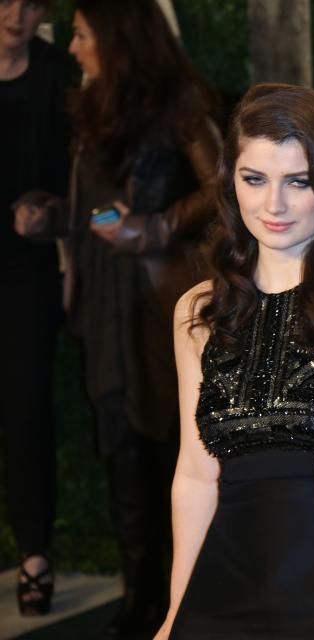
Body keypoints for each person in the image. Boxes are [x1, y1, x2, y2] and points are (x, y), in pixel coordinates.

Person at [157, 83, 314, 639]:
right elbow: (196, 475)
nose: (274, 205)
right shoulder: (198, 312)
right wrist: (176, 611)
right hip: (228, 580)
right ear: (230, 182)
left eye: (299, 181)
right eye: (255, 180)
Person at [14, 0, 220, 634]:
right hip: (103, 300)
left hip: (161, 303)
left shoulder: (178, 96)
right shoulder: (89, 103)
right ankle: (141, 602)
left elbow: (225, 185)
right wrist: (51, 214)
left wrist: (152, 229)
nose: (71, 47)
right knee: (123, 449)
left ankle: (182, 605)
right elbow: (98, 209)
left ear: (114, 35)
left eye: (79, 34)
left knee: (173, 448)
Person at [1, 0, 73, 617]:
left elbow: (84, 178)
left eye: (27, 4)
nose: (14, 16)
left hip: (29, 273)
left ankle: (35, 555)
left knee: (26, 410)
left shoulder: (58, 73)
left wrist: (58, 220)